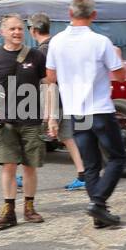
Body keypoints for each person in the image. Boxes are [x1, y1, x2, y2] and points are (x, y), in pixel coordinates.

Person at [44, 0, 126, 228]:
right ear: (93, 15)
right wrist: (118, 57)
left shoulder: (57, 42)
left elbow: (50, 77)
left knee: (91, 164)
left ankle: (98, 213)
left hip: (75, 110)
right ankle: (98, 202)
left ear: (69, 14)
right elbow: (120, 75)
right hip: (99, 108)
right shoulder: (101, 41)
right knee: (118, 157)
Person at [0, 14, 50, 229]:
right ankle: (9, 211)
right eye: (12, 29)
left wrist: (50, 111)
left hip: (32, 119)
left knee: (30, 166)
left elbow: (48, 84)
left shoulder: (36, 56)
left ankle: (29, 208)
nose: (17, 32)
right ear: (2, 32)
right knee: (8, 166)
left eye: (20, 28)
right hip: (6, 120)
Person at [26, 12, 87, 188]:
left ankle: (25, 175)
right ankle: (83, 176)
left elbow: (47, 82)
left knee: (31, 136)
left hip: (52, 99)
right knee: (67, 137)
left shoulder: (41, 51)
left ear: (33, 30)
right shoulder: (60, 45)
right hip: (67, 96)